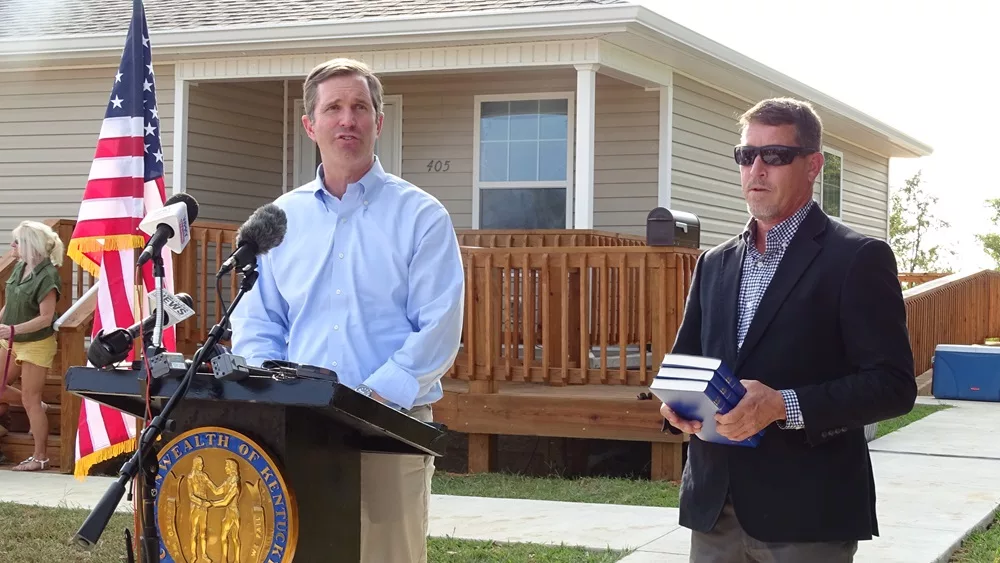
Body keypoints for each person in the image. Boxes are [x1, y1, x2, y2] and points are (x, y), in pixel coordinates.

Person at [659, 97, 917, 562]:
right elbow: (687, 364)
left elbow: (894, 386)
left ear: (813, 165)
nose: (757, 168)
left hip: (807, 516)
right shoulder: (713, 263)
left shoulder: (857, 258)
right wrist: (675, 407)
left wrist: (782, 405)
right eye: (746, 155)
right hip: (714, 509)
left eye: (774, 156)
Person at [230, 57, 465, 563]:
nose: (347, 119)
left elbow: (438, 328)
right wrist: (276, 389)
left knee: (388, 555)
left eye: (360, 107)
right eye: (333, 107)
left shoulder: (421, 217)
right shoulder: (279, 220)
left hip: (390, 426)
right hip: (296, 426)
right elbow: (258, 322)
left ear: (379, 123)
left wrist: (367, 401)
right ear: (309, 124)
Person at [0, 220, 62, 471]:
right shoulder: (19, 266)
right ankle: (40, 407)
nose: (12, 245)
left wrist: (14, 329)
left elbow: (46, 318)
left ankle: (40, 457)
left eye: (17, 242)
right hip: (10, 339)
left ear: (31, 246)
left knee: (30, 400)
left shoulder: (48, 276)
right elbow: (10, 302)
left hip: (36, 344)